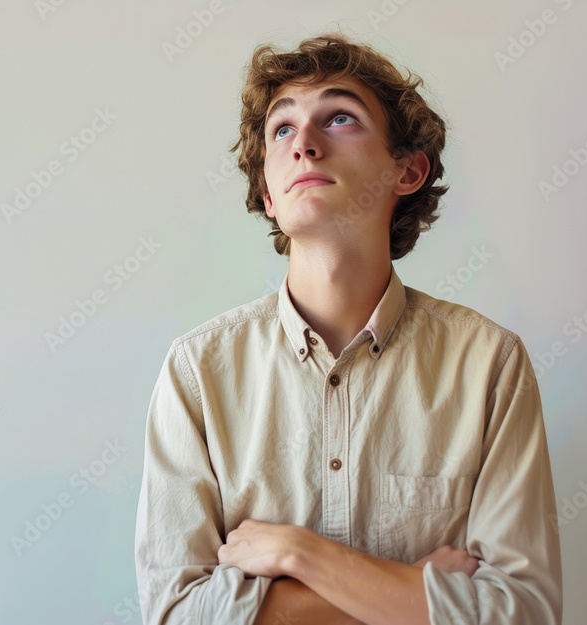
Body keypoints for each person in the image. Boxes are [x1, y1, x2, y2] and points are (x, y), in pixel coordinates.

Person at [134, 32, 562, 625]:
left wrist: (300, 554)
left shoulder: (490, 364)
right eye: (282, 129)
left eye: (339, 118)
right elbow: (176, 614)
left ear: (407, 170)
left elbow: (523, 613)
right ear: (268, 194)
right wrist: (412, 591)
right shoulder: (196, 373)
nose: (304, 144)